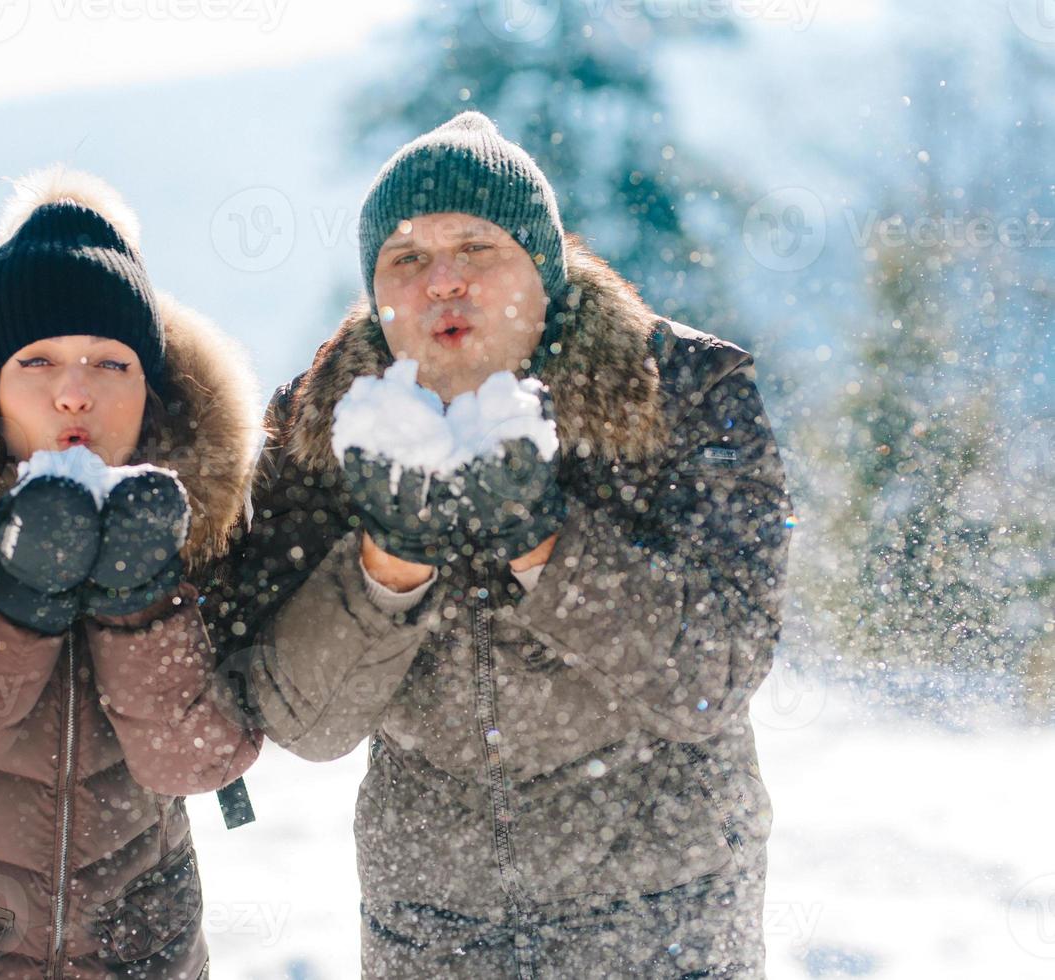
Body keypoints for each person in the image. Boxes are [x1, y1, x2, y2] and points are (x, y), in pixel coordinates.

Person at [211, 112, 794, 978]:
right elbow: (308, 725)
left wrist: (544, 544)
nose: (442, 280)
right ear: (377, 294)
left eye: (476, 247)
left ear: (545, 268)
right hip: (433, 927)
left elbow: (712, 678)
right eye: (405, 258)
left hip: (665, 914)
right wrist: (387, 570)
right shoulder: (320, 428)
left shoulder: (684, 392)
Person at [0, 166, 260, 978]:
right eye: (38, 360)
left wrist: (141, 600)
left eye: (111, 363)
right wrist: (17, 594)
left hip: (137, 947)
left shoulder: (204, 512)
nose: (74, 392)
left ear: (151, 388)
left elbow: (197, 761)